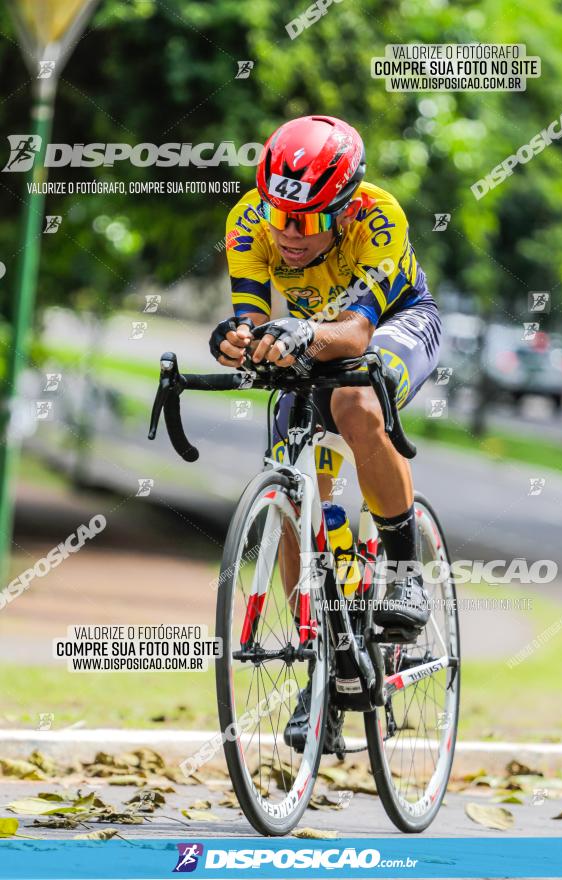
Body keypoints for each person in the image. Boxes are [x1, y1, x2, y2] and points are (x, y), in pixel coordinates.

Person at [209, 115, 441, 751]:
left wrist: (303, 334)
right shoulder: (249, 221)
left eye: (309, 220)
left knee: (355, 401)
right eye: (280, 213)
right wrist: (238, 341)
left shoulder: (379, 217)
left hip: (396, 325)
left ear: (342, 206)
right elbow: (253, 322)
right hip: (312, 336)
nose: (288, 233)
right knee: (291, 482)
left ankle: (404, 574)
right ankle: (325, 665)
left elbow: (357, 334)